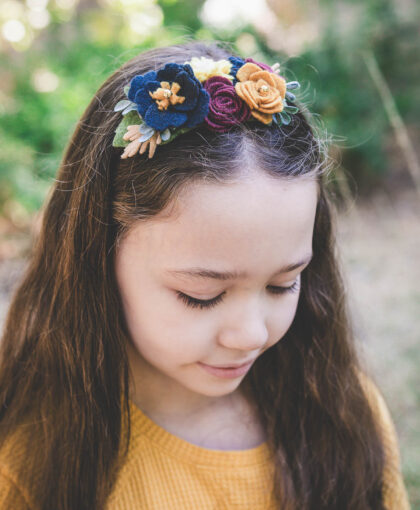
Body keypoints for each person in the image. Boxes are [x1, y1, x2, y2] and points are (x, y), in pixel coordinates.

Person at [0, 39, 411, 510]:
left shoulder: (343, 410)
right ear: (98, 256)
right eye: (201, 295)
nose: (250, 334)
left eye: (284, 284)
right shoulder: (31, 464)